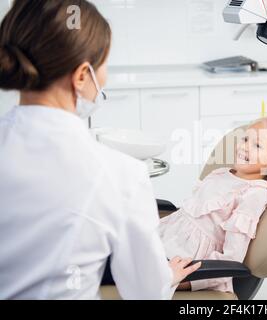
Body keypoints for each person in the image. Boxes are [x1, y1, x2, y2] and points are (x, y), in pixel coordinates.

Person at [0, 0, 199, 300]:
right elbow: (146, 294)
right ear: (81, 76)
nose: (104, 77)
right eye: (104, 63)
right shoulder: (122, 174)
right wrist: (166, 277)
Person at [159, 117, 267, 292]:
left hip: (189, 261)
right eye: (246, 139)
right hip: (168, 238)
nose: (244, 146)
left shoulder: (254, 194)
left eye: (257, 145)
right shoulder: (221, 173)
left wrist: (183, 282)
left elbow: (232, 256)